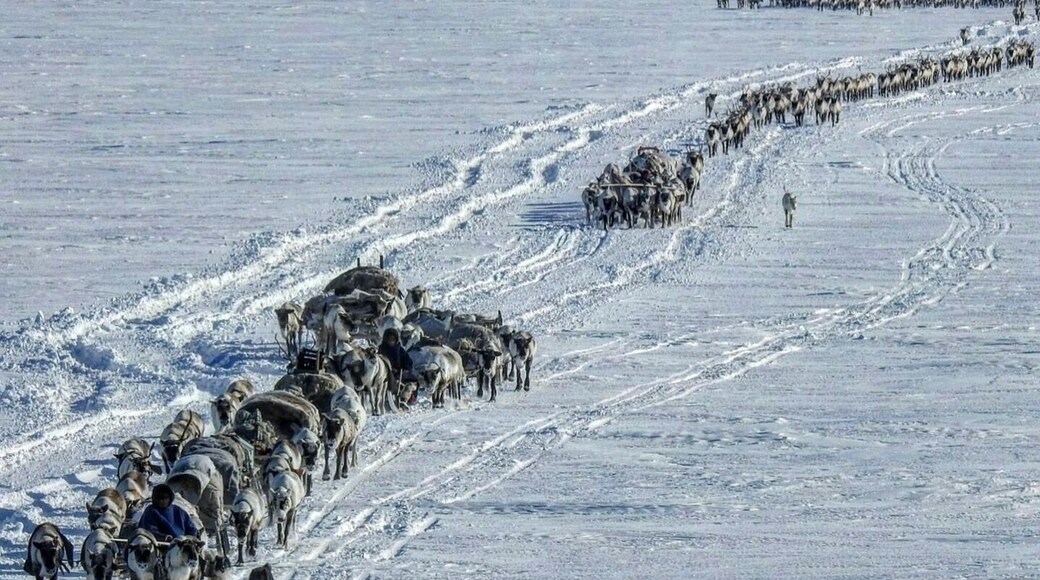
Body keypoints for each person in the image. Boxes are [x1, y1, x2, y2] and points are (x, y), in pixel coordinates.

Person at [378, 328, 415, 405]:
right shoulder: (381, 349)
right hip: (384, 373)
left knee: (410, 382)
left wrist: (406, 368)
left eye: (393, 339)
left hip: (399, 372)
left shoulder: (400, 350)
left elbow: (407, 360)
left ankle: (404, 399)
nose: (391, 341)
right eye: (389, 339)